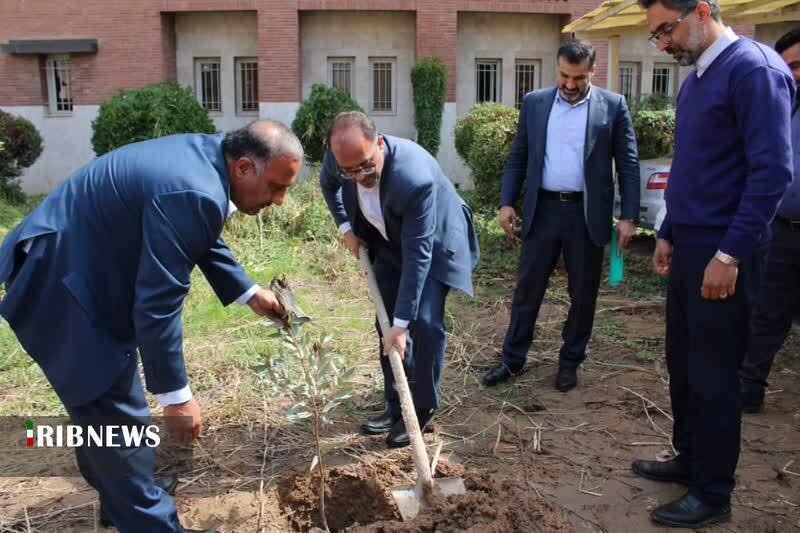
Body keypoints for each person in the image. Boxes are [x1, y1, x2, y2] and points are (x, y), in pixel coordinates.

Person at [0, 120, 303, 532]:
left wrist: (249, 292)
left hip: (79, 270)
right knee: (116, 416)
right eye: (276, 187)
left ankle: (122, 496)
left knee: (103, 416)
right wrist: (176, 398)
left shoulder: (207, 164)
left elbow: (197, 233)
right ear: (245, 167)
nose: (281, 200)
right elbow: (158, 304)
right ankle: (143, 512)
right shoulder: (195, 187)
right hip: (62, 286)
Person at [632, 1, 794, 528]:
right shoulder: (698, 78)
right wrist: (670, 231)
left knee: (716, 373)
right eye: (656, 35)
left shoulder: (754, 70)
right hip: (691, 245)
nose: (663, 44)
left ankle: (713, 491)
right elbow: (693, 165)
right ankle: (690, 459)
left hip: (727, 249)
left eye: (666, 29)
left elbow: (772, 174)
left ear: (701, 10)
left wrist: (729, 254)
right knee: (683, 361)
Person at [482, 39, 640, 391]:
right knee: (527, 289)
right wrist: (506, 202)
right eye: (565, 76)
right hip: (544, 210)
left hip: (587, 215)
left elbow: (628, 164)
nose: (570, 84)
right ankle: (512, 359)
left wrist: (628, 215)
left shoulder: (613, 106)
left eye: (579, 78)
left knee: (583, 295)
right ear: (557, 68)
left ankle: (570, 362)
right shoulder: (536, 103)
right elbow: (519, 155)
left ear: (592, 72)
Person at [319, 111, 479, 448]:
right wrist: (346, 228)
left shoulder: (413, 177)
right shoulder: (342, 158)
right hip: (387, 238)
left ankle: (420, 412)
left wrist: (402, 324)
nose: (358, 176)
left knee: (422, 322)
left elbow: (418, 256)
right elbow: (328, 183)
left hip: (434, 244)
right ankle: (396, 406)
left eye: (365, 165)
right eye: (349, 170)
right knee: (385, 325)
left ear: (379, 143)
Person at [739, 26, 800, 413]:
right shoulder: (779, 105)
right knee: (767, 312)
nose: (796, 73)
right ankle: (750, 386)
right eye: (790, 65)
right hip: (780, 230)